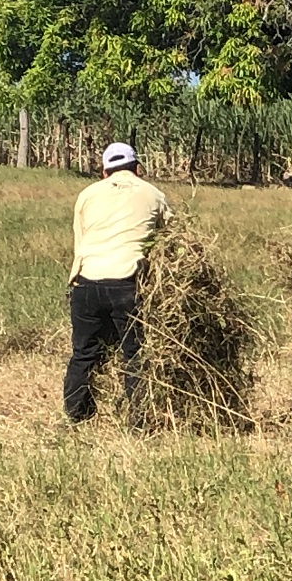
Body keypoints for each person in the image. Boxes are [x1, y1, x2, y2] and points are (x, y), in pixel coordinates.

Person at [63, 142, 173, 423]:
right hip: (129, 283)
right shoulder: (154, 194)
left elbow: (81, 240)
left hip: (86, 282)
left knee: (83, 353)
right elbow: (172, 239)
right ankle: (137, 421)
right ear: (137, 169)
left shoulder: (87, 195)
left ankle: (77, 417)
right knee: (134, 353)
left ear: (104, 172)